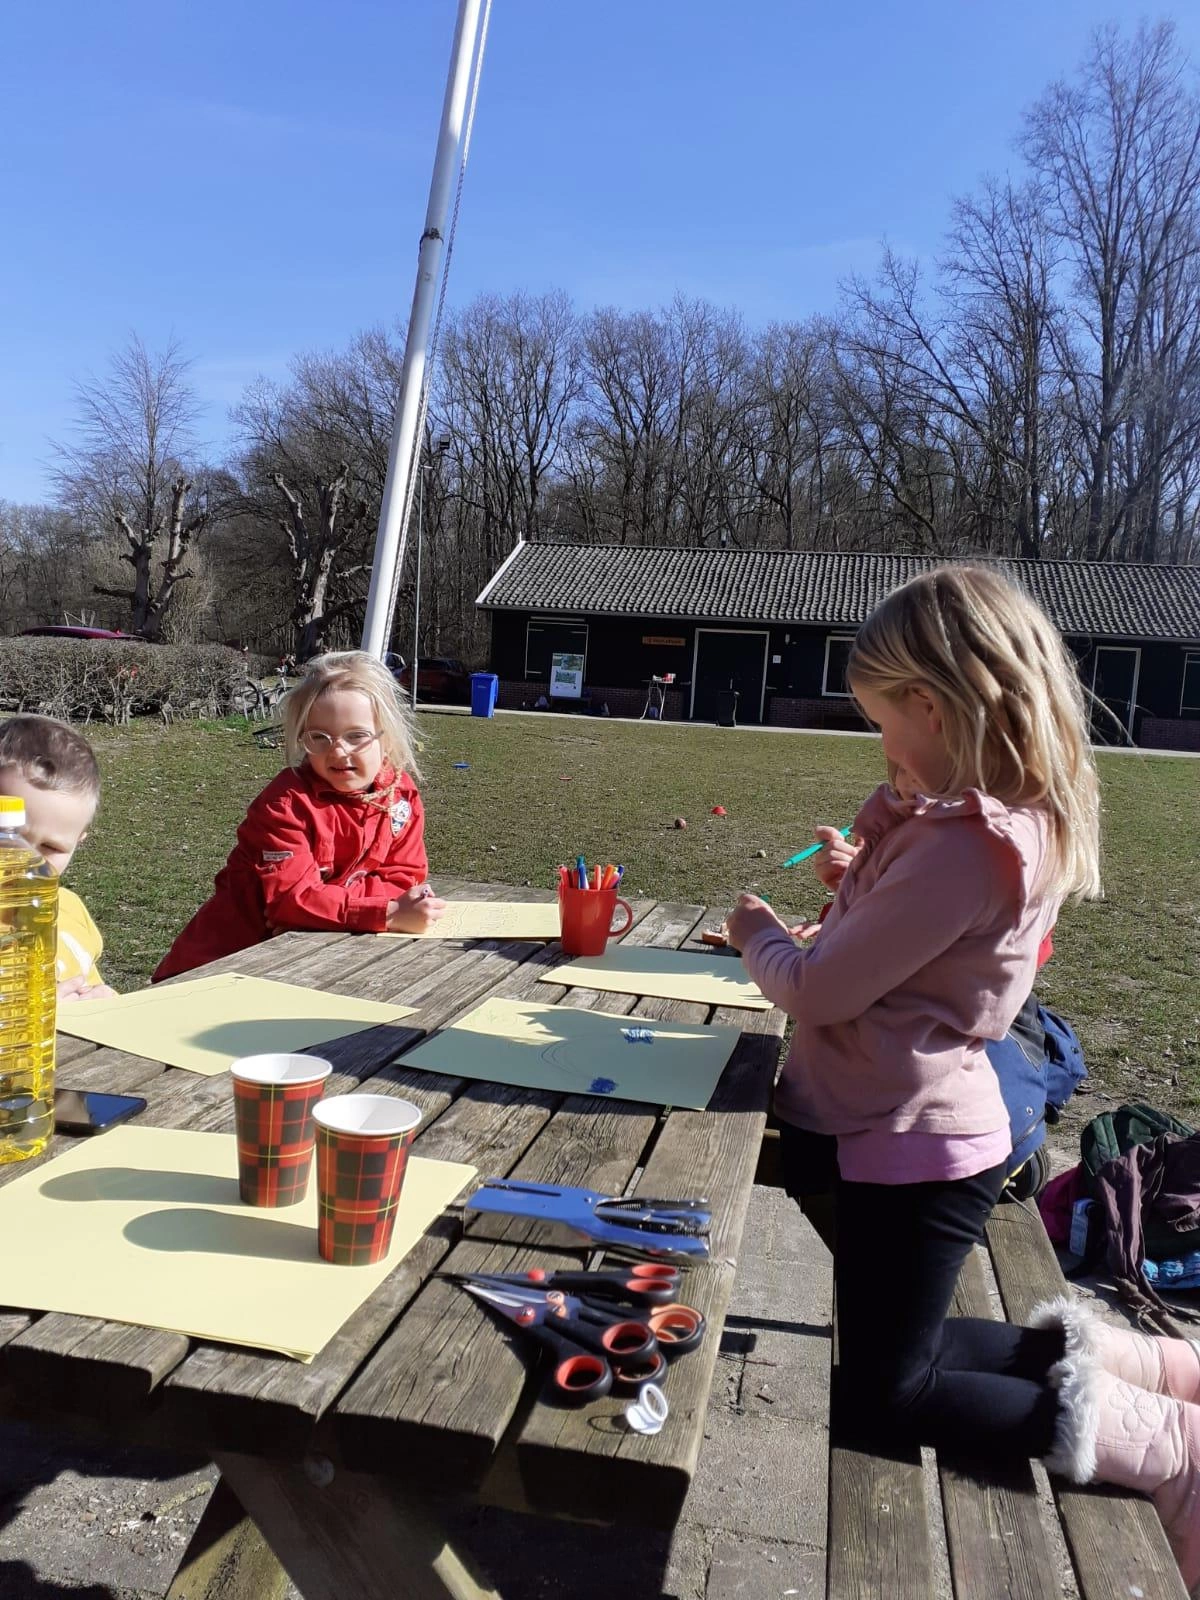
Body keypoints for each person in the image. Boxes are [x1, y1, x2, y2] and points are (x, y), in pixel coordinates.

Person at [725, 567, 1200, 1591]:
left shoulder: (962, 847)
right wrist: (870, 853)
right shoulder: (997, 822)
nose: (882, 748)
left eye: (884, 724)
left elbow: (821, 989)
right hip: (914, 1128)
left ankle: (1171, 1449)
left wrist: (757, 933)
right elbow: (908, 940)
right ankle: (1157, 1371)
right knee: (909, 1346)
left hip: (910, 1144)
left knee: (885, 1395)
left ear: (934, 706)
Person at [154, 650, 444, 980]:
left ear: (386, 737)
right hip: (217, 966)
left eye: (356, 736)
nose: (338, 751)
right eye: (319, 737)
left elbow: (404, 878)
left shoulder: (400, 794)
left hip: (307, 962)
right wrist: (386, 913)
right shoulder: (284, 804)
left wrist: (324, 909)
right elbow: (293, 901)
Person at [0, 715, 117, 1002]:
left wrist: (105, 1001)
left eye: (51, 847)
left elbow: (90, 988)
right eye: (7, 836)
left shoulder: (70, 912)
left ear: (78, 841)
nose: (27, 860)